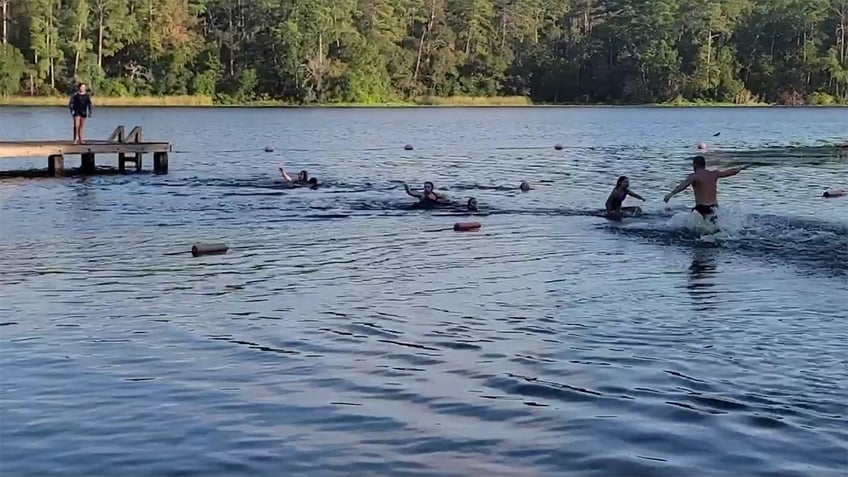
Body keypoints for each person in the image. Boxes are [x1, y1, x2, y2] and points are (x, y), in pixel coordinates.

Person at [663, 155, 749, 222]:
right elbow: (730, 172)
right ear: (704, 165)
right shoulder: (714, 174)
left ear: (695, 165)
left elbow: (683, 185)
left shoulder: (694, 176)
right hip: (714, 207)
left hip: (701, 208)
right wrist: (740, 168)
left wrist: (671, 194)